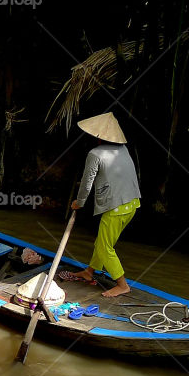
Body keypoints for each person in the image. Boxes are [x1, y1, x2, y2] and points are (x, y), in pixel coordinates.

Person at [61, 112, 141, 298]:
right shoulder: (123, 149)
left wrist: (79, 203)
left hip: (116, 208)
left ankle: (122, 285)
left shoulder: (94, 154)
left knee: (105, 247)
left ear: (98, 136)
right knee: (103, 242)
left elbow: (86, 183)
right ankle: (90, 271)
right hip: (132, 203)